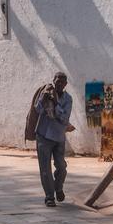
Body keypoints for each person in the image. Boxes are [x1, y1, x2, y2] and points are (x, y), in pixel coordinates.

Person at [33, 72, 73, 207]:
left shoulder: (68, 99)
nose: (59, 84)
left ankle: (58, 187)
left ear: (66, 84)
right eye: (57, 82)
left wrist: (56, 104)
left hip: (58, 136)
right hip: (43, 135)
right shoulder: (47, 92)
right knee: (45, 168)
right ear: (54, 81)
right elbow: (37, 109)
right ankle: (49, 196)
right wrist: (43, 100)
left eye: (62, 82)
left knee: (61, 167)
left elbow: (64, 118)